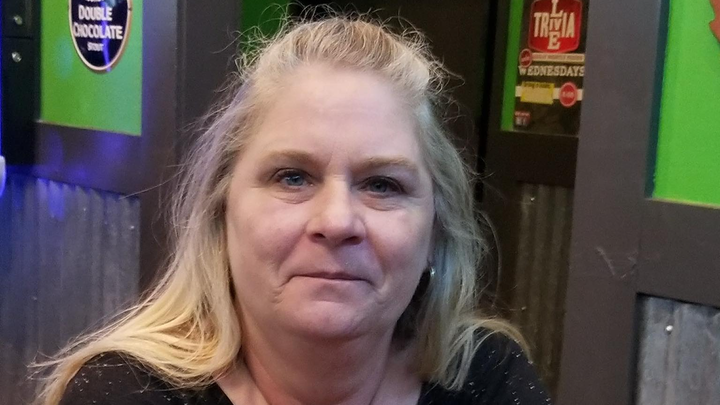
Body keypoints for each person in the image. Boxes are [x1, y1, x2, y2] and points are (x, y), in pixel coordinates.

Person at [36, 15, 551, 405]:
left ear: (436, 229)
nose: (337, 221)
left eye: (382, 184)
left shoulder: (486, 378)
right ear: (221, 211)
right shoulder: (126, 392)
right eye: (293, 177)